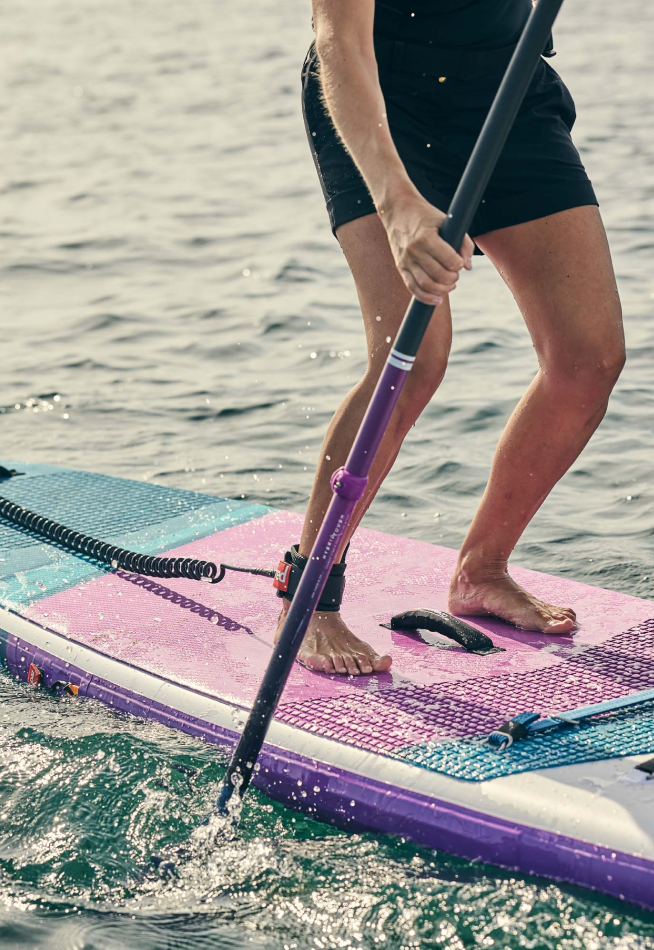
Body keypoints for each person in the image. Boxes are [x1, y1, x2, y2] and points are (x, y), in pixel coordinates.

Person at [274, 0, 626, 676]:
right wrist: (397, 204)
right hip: (382, 100)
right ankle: (310, 593)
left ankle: (482, 571)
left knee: (587, 360)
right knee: (413, 359)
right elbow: (339, 38)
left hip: (507, 88)